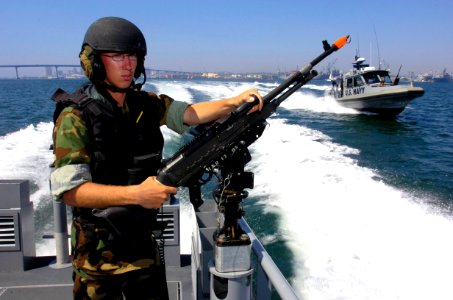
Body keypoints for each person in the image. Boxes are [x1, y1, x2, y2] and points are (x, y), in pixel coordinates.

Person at [50, 16, 263, 299]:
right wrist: (137, 194)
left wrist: (235, 102)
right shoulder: (74, 117)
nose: (129, 65)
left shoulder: (145, 103)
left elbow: (189, 114)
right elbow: (71, 191)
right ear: (96, 61)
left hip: (143, 246)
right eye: (117, 57)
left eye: (133, 56)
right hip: (98, 258)